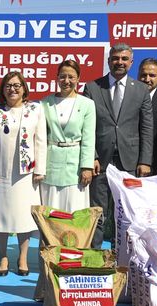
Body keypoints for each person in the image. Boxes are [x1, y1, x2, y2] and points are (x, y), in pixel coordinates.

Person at [83, 43, 154, 248]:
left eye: (124, 59)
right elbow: (87, 127)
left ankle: (119, 254)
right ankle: (94, 255)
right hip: (100, 161)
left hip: (130, 161)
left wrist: (145, 160)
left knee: (124, 212)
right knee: (97, 211)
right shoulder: (93, 87)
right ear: (108, 61)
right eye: (115, 58)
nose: (119, 62)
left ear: (131, 62)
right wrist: (92, 156)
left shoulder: (141, 89)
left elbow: (146, 128)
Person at [0, 71, 46, 277]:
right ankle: (3, 257)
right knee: (1, 217)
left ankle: (23, 257)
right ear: (2, 89)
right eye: (9, 85)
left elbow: (41, 141)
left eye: (17, 85)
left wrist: (40, 169)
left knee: (23, 217)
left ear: (24, 88)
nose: (13, 89)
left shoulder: (35, 109)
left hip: (26, 174)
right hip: (1, 173)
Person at [40, 60, 96, 212]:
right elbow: (39, 137)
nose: (66, 81)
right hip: (50, 165)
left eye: (71, 77)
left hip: (75, 169)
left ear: (78, 79)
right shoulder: (44, 103)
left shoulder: (87, 104)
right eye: (63, 76)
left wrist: (86, 167)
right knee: (50, 213)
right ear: (57, 78)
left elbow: (89, 139)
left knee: (73, 213)